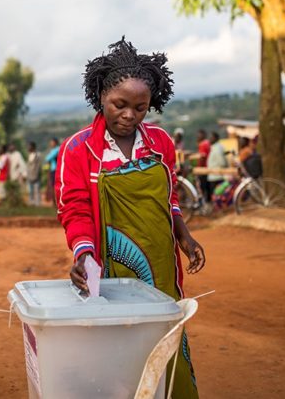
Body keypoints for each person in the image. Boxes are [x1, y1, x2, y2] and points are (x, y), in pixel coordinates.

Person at [59, 37, 204, 398]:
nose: (129, 115)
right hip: (109, 268)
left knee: (163, 336)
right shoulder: (79, 150)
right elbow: (74, 207)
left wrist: (184, 237)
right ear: (100, 97)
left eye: (141, 107)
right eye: (119, 105)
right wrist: (84, 254)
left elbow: (167, 198)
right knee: (116, 346)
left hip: (160, 263)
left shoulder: (160, 144)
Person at [206, 131, 228, 203]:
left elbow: (222, 162)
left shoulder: (217, 148)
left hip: (216, 176)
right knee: (217, 195)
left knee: (217, 196)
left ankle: (219, 210)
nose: (209, 139)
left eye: (211, 138)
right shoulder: (216, 147)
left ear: (215, 138)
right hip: (214, 175)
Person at [196, 129, 211, 203]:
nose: (198, 136)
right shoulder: (208, 143)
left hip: (203, 169)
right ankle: (208, 202)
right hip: (208, 168)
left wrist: (198, 168)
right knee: (207, 187)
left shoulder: (202, 144)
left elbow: (202, 157)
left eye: (199, 135)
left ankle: (205, 204)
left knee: (203, 188)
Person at [26, 141, 42, 206]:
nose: (28, 148)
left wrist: (36, 175)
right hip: (30, 175)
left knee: (37, 190)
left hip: (36, 176)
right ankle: (31, 203)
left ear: (33, 147)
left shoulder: (38, 155)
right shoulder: (29, 155)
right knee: (30, 191)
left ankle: (37, 203)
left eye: (29, 146)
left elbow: (38, 166)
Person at [45, 138, 60, 205]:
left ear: (55, 143)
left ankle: (56, 200)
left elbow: (48, 158)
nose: (51, 144)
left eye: (52, 142)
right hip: (53, 169)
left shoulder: (57, 149)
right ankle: (54, 201)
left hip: (55, 169)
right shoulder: (54, 150)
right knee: (53, 185)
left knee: (55, 185)